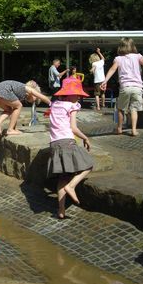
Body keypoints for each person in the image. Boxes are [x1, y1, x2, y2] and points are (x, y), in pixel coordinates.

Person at [47, 77, 94, 219]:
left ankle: (61, 210)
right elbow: (73, 128)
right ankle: (72, 186)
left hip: (54, 143)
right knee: (88, 165)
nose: (79, 96)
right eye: (77, 93)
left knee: (63, 177)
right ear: (69, 94)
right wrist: (85, 138)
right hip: (67, 141)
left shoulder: (54, 105)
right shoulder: (72, 106)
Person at [101, 38, 143, 136]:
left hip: (125, 87)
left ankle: (119, 128)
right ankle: (134, 130)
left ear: (121, 47)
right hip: (137, 87)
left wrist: (105, 81)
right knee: (134, 109)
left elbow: (112, 69)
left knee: (120, 108)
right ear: (133, 46)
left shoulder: (118, 59)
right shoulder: (137, 56)